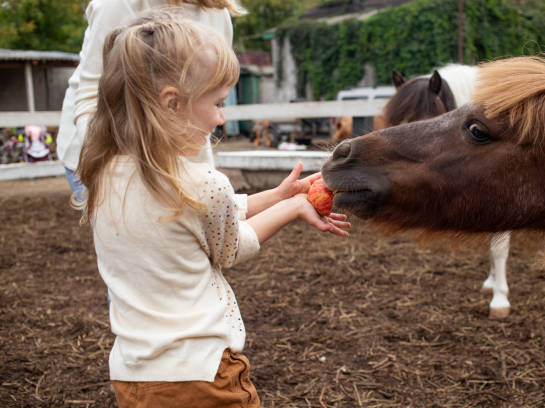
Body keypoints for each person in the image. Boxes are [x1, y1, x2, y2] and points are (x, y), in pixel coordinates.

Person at [75, 11, 351, 408]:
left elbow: (205, 214)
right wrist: (292, 207)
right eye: (218, 103)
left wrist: (277, 194)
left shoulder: (102, 176)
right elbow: (230, 247)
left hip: (132, 376)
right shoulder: (204, 182)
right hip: (203, 377)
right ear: (172, 103)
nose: (222, 118)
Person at [57, 0, 244, 202]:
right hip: (113, 154)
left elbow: (199, 104)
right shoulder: (117, 5)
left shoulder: (217, 13)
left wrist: (203, 176)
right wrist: (111, 171)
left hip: (175, 156)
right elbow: (91, 95)